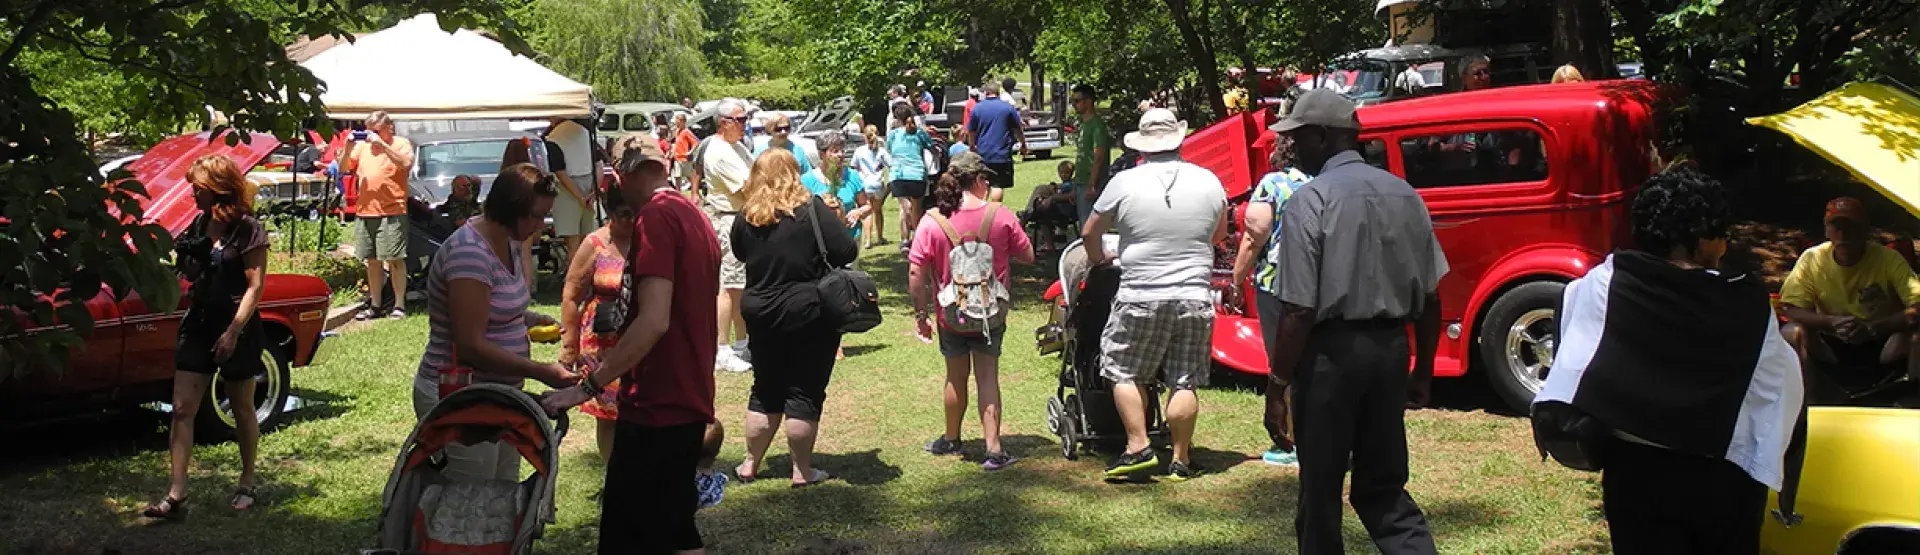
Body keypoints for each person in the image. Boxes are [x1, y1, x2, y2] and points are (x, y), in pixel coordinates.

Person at [1537, 168, 1803, 554]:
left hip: (1636, 473)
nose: (1724, 246)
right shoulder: (1744, 301)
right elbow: (1779, 387)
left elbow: (1574, 362)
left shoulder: (1604, 284)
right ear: (1698, 241)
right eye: (1719, 236)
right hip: (1724, 476)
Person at [1264, 89, 1444, 554]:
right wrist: (1422, 369)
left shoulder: (1311, 200)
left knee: (1321, 490)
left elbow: (1299, 309)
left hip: (1330, 359)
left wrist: (1278, 383)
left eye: (1299, 138)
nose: (1293, 148)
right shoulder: (1405, 194)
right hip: (1389, 353)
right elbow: (1429, 295)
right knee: (1382, 486)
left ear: (1323, 138)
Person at [540, 140, 723, 554]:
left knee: (631, 534)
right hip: (687, 393)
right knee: (674, 528)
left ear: (621, 176)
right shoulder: (694, 214)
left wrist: (587, 387)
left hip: (658, 401)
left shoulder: (655, 218)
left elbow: (654, 320)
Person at [1080, 109, 1228, 482]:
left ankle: (1138, 446)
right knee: (1184, 379)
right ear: (1179, 139)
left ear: (1143, 145)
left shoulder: (1125, 182)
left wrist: (1100, 258)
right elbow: (1217, 234)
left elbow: (1089, 232)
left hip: (1141, 291)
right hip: (1194, 293)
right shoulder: (1209, 181)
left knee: (1122, 369)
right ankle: (1180, 459)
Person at [415, 163, 576, 482]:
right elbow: (470, 345)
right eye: (534, 216)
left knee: (501, 492)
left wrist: (528, 319)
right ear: (509, 209)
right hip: (461, 396)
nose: (540, 225)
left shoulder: (509, 240)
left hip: (498, 395)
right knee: (471, 497)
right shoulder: (469, 254)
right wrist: (542, 372)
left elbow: (490, 307)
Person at [142, 155, 273, 520]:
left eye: (197, 189)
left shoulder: (247, 229)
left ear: (217, 190)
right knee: (182, 408)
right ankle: (177, 493)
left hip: (236, 325)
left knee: (242, 406)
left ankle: (247, 482)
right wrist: (187, 262)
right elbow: (189, 274)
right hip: (199, 322)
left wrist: (233, 331)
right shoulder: (200, 223)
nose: (192, 196)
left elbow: (255, 286)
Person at [729, 149, 860, 488]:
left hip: (760, 310)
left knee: (765, 389)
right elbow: (847, 251)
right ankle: (802, 471)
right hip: (808, 310)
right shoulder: (812, 209)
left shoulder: (747, 215)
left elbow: (740, 253)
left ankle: (749, 464)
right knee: (804, 390)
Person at [910, 151, 1035, 470]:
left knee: (955, 376)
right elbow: (1028, 256)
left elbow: (916, 272)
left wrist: (921, 315)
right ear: (979, 181)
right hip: (990, 313)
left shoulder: (932, 220)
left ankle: (951, 438)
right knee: (987, 377)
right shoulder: (1001, 214)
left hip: (950, 315)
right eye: (986, 179)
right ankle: (994, 449)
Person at [1779, 197, 1920, 404]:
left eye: (1851, 228)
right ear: (1827, 231)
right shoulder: (1813, 259)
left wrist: (1874, 328)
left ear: (1865, 230)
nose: (1843, 236)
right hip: (1832, 343)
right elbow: (1790, 309)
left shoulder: (1888, 259)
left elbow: (1917, 306)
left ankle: (1912, 400)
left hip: (1882, 341)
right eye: (1836, 228)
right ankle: (1807, 404)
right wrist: (1831, 322)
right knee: (1791, 332)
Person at [1230, 143, 1311, 468]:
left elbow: (1254, 237)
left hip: (1277, 283)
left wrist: (1237, 279)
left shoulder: (1273, 184)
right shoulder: (1322, 180)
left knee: (1283, 364)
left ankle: (1293, 442)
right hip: (1320, 282)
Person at [342, 110, 415, 320]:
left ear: (388, 128)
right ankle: (375, 305)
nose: (369, 135)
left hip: (392, 209)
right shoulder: (362, 147)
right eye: (367, 131)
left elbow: (406, 164)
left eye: (375, 130)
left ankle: (399, 305)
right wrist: (347, 149)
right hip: (365, 211)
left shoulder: (400, 143)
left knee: (394, 258)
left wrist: (383, 145)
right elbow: (345, 168)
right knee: (371, 260)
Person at [702, 99, 758, 374]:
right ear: (724, 122)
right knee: (729, 286)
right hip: (728, 221)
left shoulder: (736, 147)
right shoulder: (719, 152)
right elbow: (749, 187)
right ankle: (721, 348)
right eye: (741, 119)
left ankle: (742, 343)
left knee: (741, 285)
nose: (746, 125)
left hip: (742, 219)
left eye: (746, 119)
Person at [546, 116, 600, 266]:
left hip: (568, 190)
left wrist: (580, 197)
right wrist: (593, 192)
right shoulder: (586, 133)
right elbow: (599, 164)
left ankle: (575, 280)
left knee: (572, 244)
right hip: (589, 185)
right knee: (588, 240)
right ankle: (589, 278)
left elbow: (560, 173)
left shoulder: (553, 137)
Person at [965, 82, 1027, 203]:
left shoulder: (977, 108)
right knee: (998, 185)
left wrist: (972, 146)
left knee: (983, 185)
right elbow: (1017, 129)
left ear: (986, 93)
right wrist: (1023, 144)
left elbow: (971, 130)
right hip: (1001, 154)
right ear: (998, 93)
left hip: (982, 155)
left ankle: (982, 213)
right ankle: (994, 213)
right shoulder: (1008, 108)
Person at [887, 103, 936, 252]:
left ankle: (904, 239)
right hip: (916, 174)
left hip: (898, 174)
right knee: (917, 208)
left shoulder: (893, 135)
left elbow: (889, 149)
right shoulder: (919, 133)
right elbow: (930, 145)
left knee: (903, 208)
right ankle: (918, 238)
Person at [1070, 84, 1113, 225]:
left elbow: (1098, 157)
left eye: (1077, 101)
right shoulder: (1083, 125)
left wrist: (1092, 184)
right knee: (1084, 223)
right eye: (1072, 101)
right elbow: (1082, 157)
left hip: (1092, 183)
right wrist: (1074, 186)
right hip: (1081, 182)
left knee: (1090, 227)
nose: (1073, 104)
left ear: (1088, 102)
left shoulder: (1097, 126)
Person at [1020, 161, 1080, 252]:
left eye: (1066, 173)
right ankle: (1030, 212)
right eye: (1061, 173)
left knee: (1042, 211)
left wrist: (1052, 193)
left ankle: (1028, 215)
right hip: (1065, 207)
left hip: (1066, 210)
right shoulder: (1068, 184)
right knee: (1041, 201)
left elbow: (1060, 197)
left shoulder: (1068, 185)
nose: (1063, 175)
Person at [853, 124, 892, 248]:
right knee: (878, 211)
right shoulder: (881, 152)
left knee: (867, 212)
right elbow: (891, 164)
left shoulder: (859, 151)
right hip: (878, 184)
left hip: (864, 184)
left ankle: (868, 240)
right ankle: (880, 237)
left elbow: (854, 166)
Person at [670, 113, 701, 194]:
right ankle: (678, 194)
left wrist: (690, 152)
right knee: (677, 177)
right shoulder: (677, 131)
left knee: (690, 178)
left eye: (678, 121)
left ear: (682, 122)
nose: (676, 123)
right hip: (677, 158)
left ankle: (697, 194)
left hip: (685, 159)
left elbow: (696, 142)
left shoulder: (686, 132)